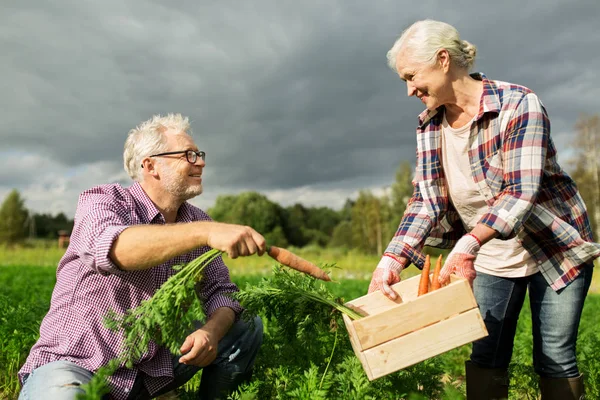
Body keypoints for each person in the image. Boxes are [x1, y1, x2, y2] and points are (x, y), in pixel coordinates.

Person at [368, 20, 599, 400]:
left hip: (554, 248)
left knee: (555, 356)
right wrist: (391, 260)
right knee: (486, 354)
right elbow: (427, 200)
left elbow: (520, 194)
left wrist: (468, 243)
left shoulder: (518, 104)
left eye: (411, 77)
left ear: (443, 60)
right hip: (488, 254)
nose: (409, 90)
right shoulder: (429, 126)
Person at [18, 114, 266, 400]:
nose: (200, 162)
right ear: (151, 165)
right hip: (76, 366)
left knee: (244, 324)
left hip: (147, 373)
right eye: (189, 155)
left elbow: (221, 292)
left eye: (199, 154)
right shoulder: (103, 201)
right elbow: (116, 248)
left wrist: (211, 331)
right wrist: (205, 232)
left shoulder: (196, 220)